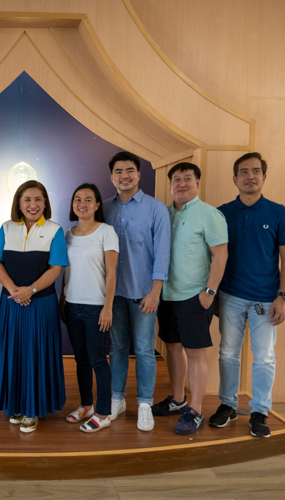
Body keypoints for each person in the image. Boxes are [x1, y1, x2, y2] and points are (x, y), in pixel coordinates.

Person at [209, 152, 285, 438]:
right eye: (244, 172)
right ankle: (227, 404)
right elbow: (214, 257)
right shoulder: (221, 213)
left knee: (265, 358)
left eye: (256, 171)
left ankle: (259, 411)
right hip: (230, 297)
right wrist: (216, 295)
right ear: (235, 179)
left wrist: (283, 295)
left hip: (267, 300)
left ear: (264, 177)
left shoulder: (278, 212)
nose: (250, 176)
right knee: (228, 353)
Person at [153, 162, 228, 435]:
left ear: (197, 183)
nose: (181, 183)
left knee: (195, 353)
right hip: (167, 295)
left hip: (195, 296)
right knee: (172, 348)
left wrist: (209, 292)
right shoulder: (164, 214)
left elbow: (221, 255)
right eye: (176, 179)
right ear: (170, 184)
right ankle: (177, 400)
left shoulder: (209, 214)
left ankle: (195, 409)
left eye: (187, 178)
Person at [0, 180, 68, 433]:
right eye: (27, 200)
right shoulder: (6, 228)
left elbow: (56, 268)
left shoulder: (56, 231)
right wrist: (15, 290)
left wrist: (31, 290)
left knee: (36, 354)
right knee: (14, 352)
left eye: (38, 199)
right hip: (12, 302)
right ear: (19, 203)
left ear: (45, 202)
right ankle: (15, 404)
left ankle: (33, 409)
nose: (33, 205)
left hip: (41, 304)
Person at [103, 151, 170, 432]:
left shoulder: (157, 209)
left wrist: (155, 291)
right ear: (111, 177)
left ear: (139, 174)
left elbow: (163, 253)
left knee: (144, 350)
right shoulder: (103, 208)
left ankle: (144, 403)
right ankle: (117, 399)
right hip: (112, 296)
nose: (124, 176)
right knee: (116, 348)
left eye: (130, 170)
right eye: (118, 171)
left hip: (144, 294)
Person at [60, 183, 118, 433]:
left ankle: (104, 412)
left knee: (98, 360)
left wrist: (108, 307)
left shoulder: (107, 232)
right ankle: (86, 405)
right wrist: (62, 301)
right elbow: (65, 271)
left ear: (97, 205)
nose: (82, 203)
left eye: (88, 199)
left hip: (96, 307)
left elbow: (113, 272)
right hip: (72, 306)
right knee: (81, 359)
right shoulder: (67, 234)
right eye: (77, 199)